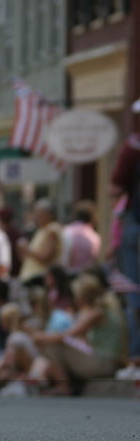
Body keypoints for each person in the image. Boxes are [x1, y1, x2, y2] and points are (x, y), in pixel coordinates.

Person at [28, 271, 127, 393]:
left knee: (51, 345)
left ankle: (64, 386)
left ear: (82, 296)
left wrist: (41, 337)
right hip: (107, 361)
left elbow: (67, 335)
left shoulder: (96, 313)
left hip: (104, 363)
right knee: (54, 343)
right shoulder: (103, 309)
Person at [108, 98, 140, 376]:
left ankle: (135, 358)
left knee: (133, 292)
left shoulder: (133, 147)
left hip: (136, 225)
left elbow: (115, 186)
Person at [18, 199, 63, 301]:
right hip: (32, 278)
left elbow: (45, 257)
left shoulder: (52, 230)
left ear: (50, 215)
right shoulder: (43, 229)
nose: (37, 217)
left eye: (40, 214)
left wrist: (26, 249)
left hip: (39, 279)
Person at [61, 201, 101, 275]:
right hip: (86, 276)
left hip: (69, 274)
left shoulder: (67, 231)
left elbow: (64, 258)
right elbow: (94, 259)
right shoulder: (94, 237)